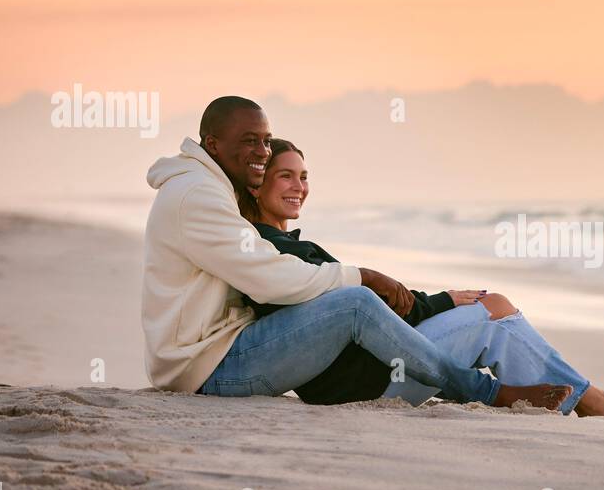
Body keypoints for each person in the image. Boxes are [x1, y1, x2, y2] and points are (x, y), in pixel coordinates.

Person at [141, 96, 571, 411]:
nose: (261, 152)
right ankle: (489, 391)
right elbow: (270, 278)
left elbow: (269, 269)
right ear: (212, 144)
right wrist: (362, 276)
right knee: (355, 302)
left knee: (358, 300)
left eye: (266, 141)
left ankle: (570, 397)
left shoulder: (203, 188)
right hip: (209, 370)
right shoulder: (198, 195)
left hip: (211, 357)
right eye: (249, 140)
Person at [235, 138, 604, 422]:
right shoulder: (274, 251)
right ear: (257, 186)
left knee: (494, 313)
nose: (299, 187)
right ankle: (588, 400)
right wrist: (443, 300)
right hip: (371, 382)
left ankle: (566, 397)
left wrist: (439, 300)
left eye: (304, 176)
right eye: (285, 176)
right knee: (495, 308)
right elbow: (383, 305)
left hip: (366, 373)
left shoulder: (272, 247)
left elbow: (388, 305)